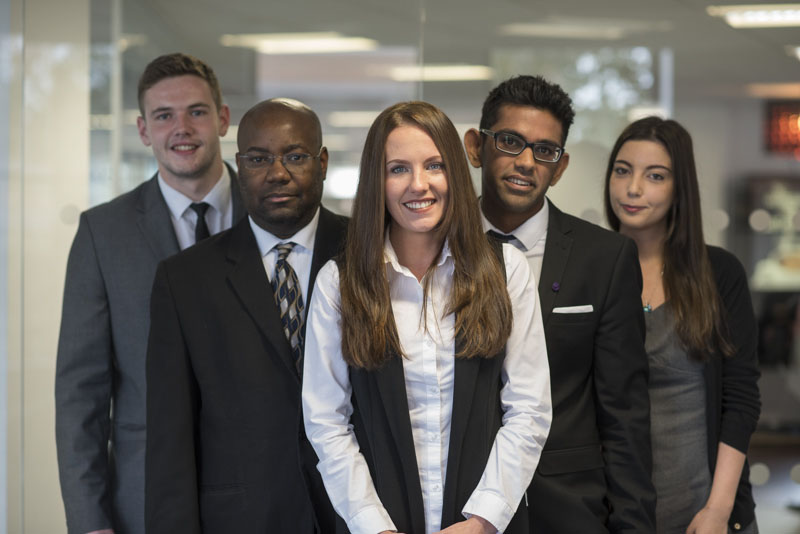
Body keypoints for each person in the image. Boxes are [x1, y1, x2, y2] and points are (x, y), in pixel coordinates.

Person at [302, 101, 552, 534]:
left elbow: (529, 409)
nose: (419, 185)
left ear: (455, 171)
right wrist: (372, 526)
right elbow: (326, 423)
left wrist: (482, 521)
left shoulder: (506, 269)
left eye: (434, 165)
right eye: (398, 169)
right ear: (376, 182)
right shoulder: (340, 283)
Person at [55, 52, 243, 534]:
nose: (182, 128)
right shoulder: (103, 234)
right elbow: (82, 395)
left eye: (196, 111)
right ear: (143, 131)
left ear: (222, 119)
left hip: (261, 491)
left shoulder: (269, 215)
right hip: (143, 498)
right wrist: (89, 520)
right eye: (164, 116)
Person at [463, 75, 656, 533]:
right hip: (459, 504)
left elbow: (624, 413)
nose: (526, 162)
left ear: (561, 165)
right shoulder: (433, 250)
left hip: (568, 509)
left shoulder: (605, 259)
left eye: (544, 150)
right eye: (510, 142)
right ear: (476, 147)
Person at [144, 98, 345, 533]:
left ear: (322, 162)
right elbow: (169, 439)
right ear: (239, 165)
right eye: (258, 159)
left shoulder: (370, 255)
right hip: (240, 519)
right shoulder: (185, 280)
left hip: (359, 517)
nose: (277, 173)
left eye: (295, 156)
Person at [604, 116, 761, 534]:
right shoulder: (589, 271)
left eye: (654, 176)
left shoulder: (718, 273)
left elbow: (741, 399)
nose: (633, 188)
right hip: (614, 515)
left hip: (703, 513)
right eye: (622, 171)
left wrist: (719, 510)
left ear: (679, 189)